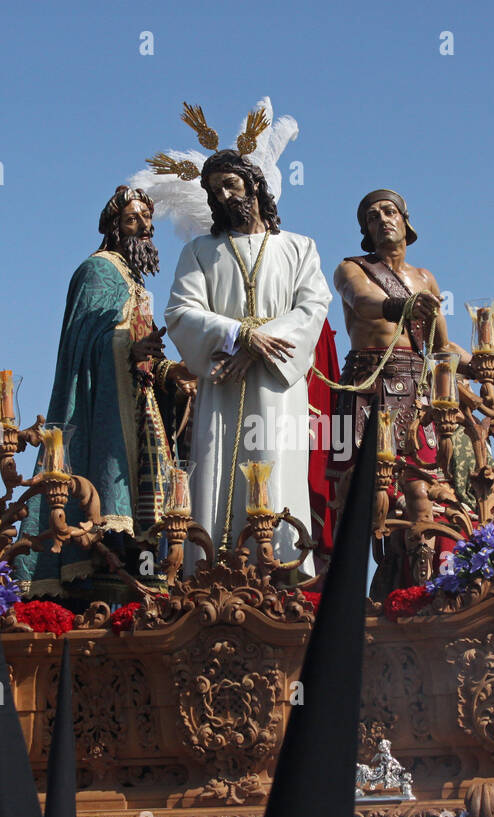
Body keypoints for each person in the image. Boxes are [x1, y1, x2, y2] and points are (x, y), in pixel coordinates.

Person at [16, 186, 194, 598]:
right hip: (107, 415)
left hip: (141, 410)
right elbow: (83, 347)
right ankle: (109, 588)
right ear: (114, 228)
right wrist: (126, 349)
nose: (144, 228)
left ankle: (145, 586)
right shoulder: (97, 271)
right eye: (133, 220)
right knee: (113, 506)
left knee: (149, 514)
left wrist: (171, 373)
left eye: (148, 221)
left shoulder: (133, 279)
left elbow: (144, 355)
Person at [165, 150, 331, 575]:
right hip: (221, 380)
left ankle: (276, 563)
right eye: (215, 189)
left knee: (275, 458)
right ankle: (211, 566)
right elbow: (182, 312)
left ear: (253, 184)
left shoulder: (299, 247)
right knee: (218, 469)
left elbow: (313, 307)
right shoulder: (200, 251)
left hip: (276, 384)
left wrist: (257, 345)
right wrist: (239, 334)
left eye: (231, 184)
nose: (224, 195)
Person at [328, 190, 471, 592]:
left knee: (420, 485)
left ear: (406, 221)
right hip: (361, 385)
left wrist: (487, 368)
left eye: (389, 212)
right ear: (366, 232)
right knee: (351, 486)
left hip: (415, 387)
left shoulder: (425, 278)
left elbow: (442, 347)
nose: (382, 220)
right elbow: (363, 300)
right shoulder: (350, 268)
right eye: (372, 217)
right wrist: (401, 308)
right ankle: (343, 583)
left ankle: (417, 579)